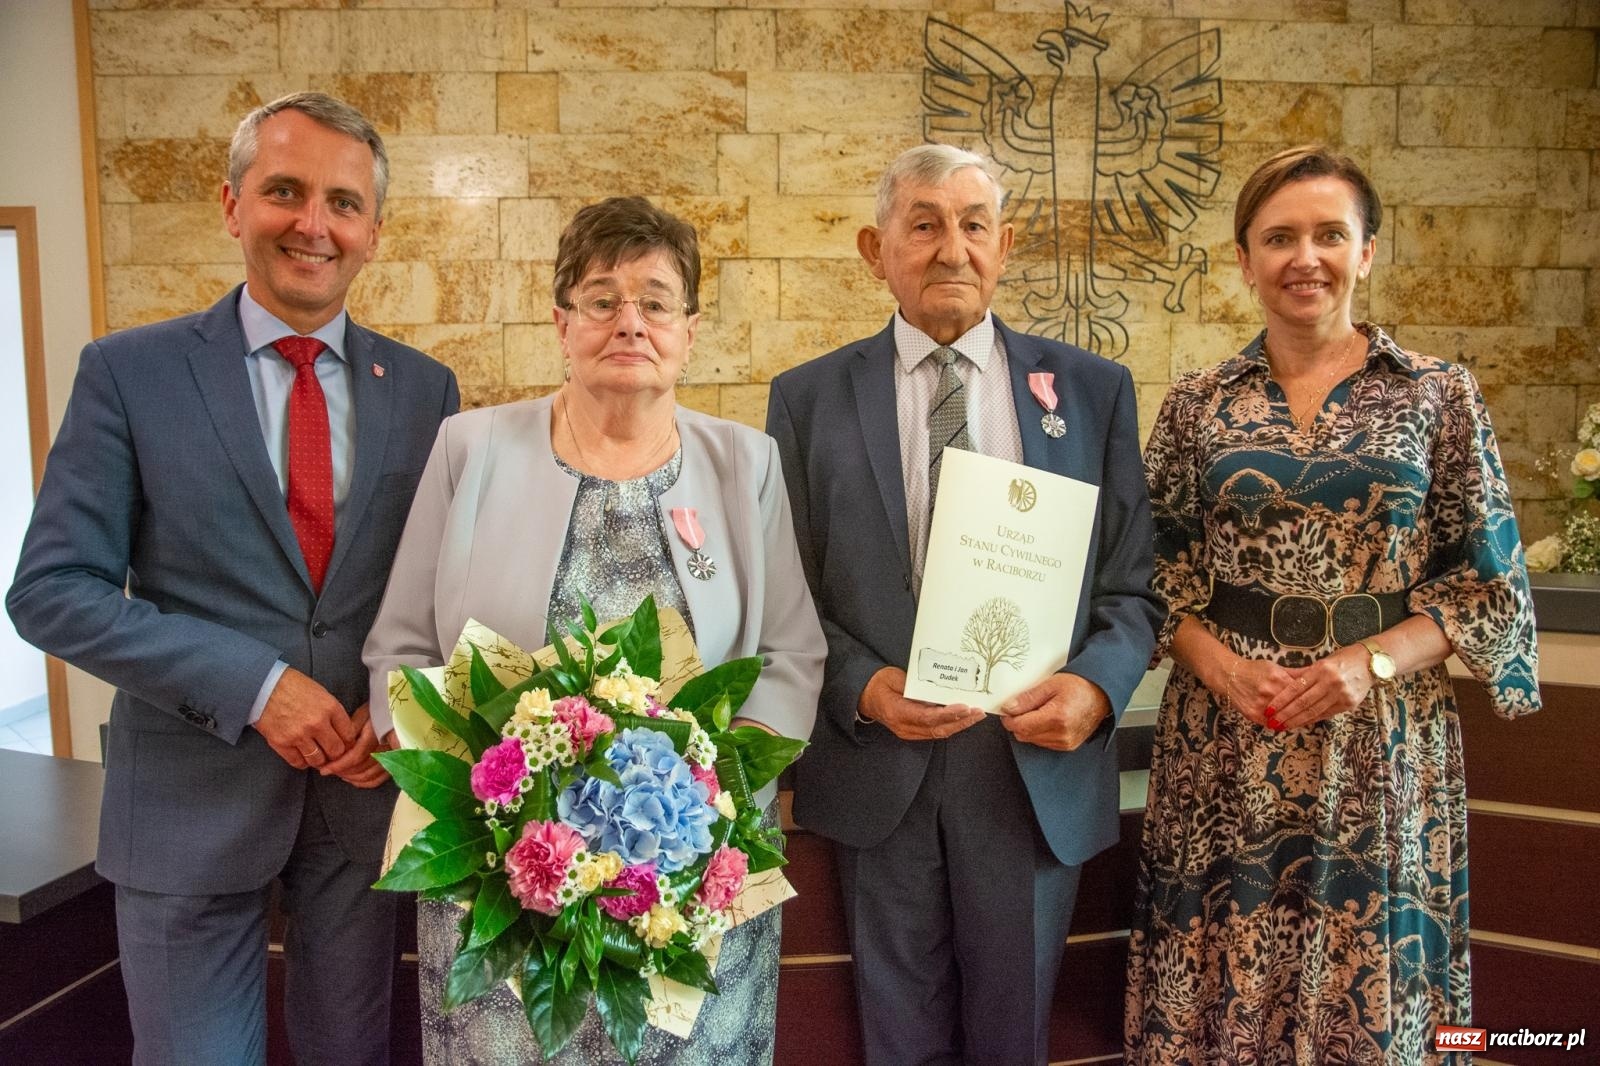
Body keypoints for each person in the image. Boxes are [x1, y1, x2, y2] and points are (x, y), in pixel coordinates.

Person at [6, 92, 459, 1065]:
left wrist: (403, 712)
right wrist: (255, 686)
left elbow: (428, 589)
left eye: (343, 202)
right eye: (284, 191)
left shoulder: (424, 389)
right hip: (186, 801)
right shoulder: (129, 373)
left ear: (373, 232)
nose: (313, 223)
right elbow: (50, 588)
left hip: (361, 795)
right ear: (231, 204)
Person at [363, 195, 825, 1064]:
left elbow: (793, 654)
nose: (630, 321)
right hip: (504, 878)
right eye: (601, 297)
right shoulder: (471, 449)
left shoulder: (745, 464)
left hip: (691, 883)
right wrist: (480, 803)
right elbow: (400, 649)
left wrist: (715, 804)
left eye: (655, 300)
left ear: (688, 330)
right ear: (561, 321)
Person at [1123, 145, 1541, 1064]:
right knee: (1226, 968)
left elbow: (1489, 582)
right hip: (1230, 731)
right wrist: (1213, 663)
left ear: (1367, 252)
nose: (1302, 256)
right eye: (1278, 237)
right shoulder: (1197, 404)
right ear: (1243, 259)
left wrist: (1371, 662)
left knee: (1372, 986)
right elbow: (1144, 568)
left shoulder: (1438, 394)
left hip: (1381, 734)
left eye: (1328, 234)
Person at [765, 143, 1162, 1066]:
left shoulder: (1092, 393)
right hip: (880, 766)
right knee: (894, 1034)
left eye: (974, 225)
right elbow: (788, 592)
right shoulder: (807, 398)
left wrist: (1095, 691)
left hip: (1028, 771)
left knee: (1012, 1035)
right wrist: (865, 689)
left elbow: (1131, 586)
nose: (952, 249)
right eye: (925, 224)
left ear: (1005, 244)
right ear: (876, 249)